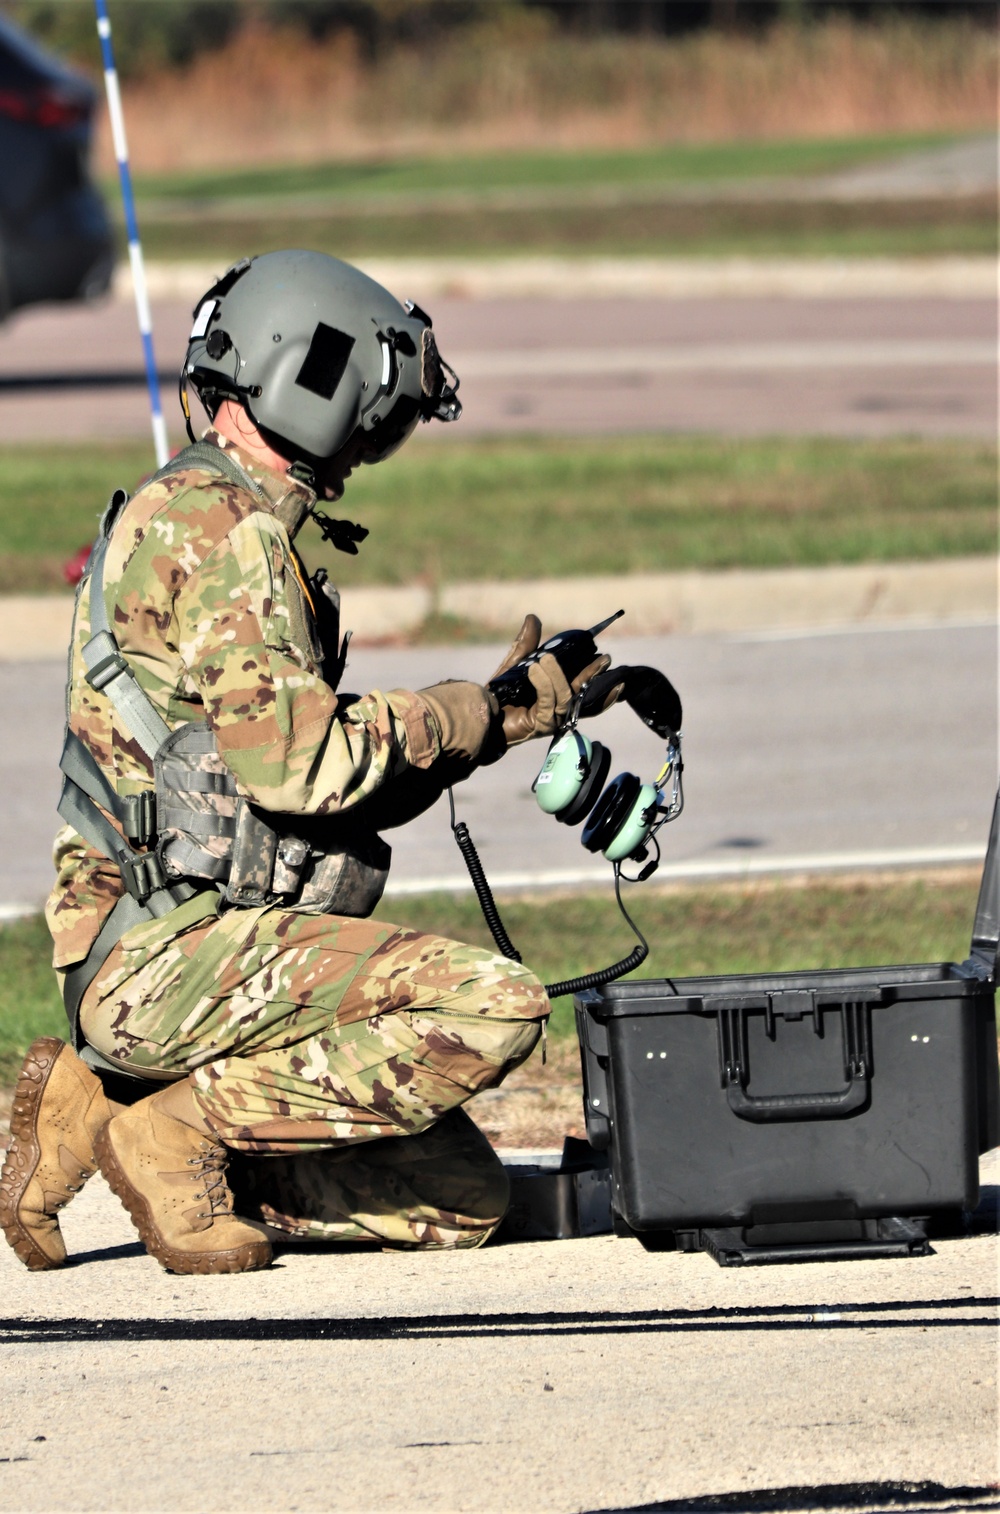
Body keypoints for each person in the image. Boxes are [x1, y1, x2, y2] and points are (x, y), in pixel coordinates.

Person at [0, 250, 620, 1275]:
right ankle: (173, 1130)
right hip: (166, 953)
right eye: (373, 411)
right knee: (493, 1003)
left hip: (185, 949)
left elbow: (286, 789)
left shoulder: (216, 515)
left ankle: (100, 1098)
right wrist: (458, 712)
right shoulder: (223, 531)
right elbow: (298, 768)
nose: (377, 441)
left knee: (462, 1202)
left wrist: (495, 719)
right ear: (309, 377)